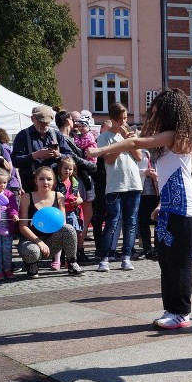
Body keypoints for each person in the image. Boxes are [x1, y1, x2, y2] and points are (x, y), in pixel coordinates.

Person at [87, 89, 192, 329]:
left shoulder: (177, 136)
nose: (153, 117)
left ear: (171, 114)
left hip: (185, 209)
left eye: (157, 113)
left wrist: (100, 150)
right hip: (171, 207)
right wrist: (161, 203)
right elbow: (172, 174)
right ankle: (171, 308)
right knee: (166, 262)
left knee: (180, 263)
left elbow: (137, 142)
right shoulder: (166, 140)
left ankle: (182, 311)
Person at [96, 103, 142, 272]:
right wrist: (124, 143)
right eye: (121, 118)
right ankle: (105, 257)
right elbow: (108, 159)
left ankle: (126, 257)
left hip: (133, 183)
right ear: (113, 119)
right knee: (112, 222)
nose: (124, 121)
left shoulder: (130, 135)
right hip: (115, 184)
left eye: (125, 118)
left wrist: (130, 140)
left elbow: (138, 157)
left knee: (130, 223)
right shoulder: (104, 137)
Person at [17, 167, 84, 278]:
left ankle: (72, 262)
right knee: (32, 253)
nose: (45, 182)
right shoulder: (26, 197)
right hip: (31, 240)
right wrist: (39, 241)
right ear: (36, 180)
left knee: (69, 228)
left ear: (54, 181)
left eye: (49, 179)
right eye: (41, 179)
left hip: (51, 240)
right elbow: (23, 227)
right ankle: (31, 264)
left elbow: (62, 224)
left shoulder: (59, 196)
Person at [11, 105, 75, 193]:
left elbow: (70, 155)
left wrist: (58, 155)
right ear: (33, 119)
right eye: (41, 123)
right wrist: (34, 156)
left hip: (54, 184)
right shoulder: (23, 135)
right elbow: (15, 161)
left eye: (47, 123)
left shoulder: (56, 134)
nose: (44, 126)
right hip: (32, 185)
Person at [69, 113, 99, 262]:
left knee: (86, 215)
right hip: (79, 173)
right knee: (79, 215)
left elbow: (85, 150)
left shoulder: (89, 137)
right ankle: (75, 248)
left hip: (87, 169)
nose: (80, 128)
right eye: (78, 125)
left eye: (82, 125)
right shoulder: (76, 137)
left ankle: (78, 247)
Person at [50, 157, 83, 270]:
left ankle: (70, 259)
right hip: (58, 211)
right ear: (60, 168)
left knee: (72, 236)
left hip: (72, 212)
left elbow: (79, 197)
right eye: (65, 168)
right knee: (58, 235)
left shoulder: (74, 182)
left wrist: (79, 201)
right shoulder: (55, 182)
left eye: (70, 169)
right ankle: (57, 260)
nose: (67, 171)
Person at [0, 168, 18, 280]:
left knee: (7, 250)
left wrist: (14, 215)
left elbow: (13, 208)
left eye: (4, 182)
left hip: (7, 228)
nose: (2, 185)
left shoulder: (9, 194)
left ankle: (7, 269)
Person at [136, 147, 159, 260]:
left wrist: (157, 175)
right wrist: (145, 172)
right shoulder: (139, 151)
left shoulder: (161, 151)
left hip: (158, 192)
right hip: (143, 191)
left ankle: (158, 248)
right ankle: (147, 249)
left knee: (158, 222)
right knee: (143, 222)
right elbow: (132, 169)